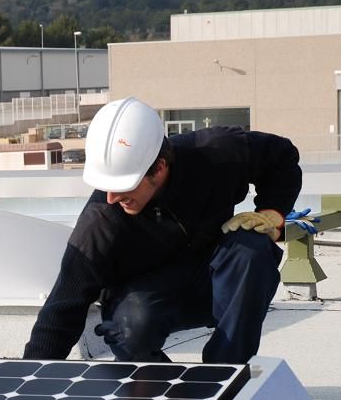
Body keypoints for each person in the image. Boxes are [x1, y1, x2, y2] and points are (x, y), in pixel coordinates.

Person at [23, 96, 301, 364]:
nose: (112, 197)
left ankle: (226, 374)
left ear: (159, 168)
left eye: (123, 186)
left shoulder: (216, 153)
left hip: (216, 280)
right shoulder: (101, 223)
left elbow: (282, 158)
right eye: (107, 187)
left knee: (252, 249)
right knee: (129, 326)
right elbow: (62, 309)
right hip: (147, 302)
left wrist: (272, 212)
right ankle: (163, 388)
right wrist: (30, 379)